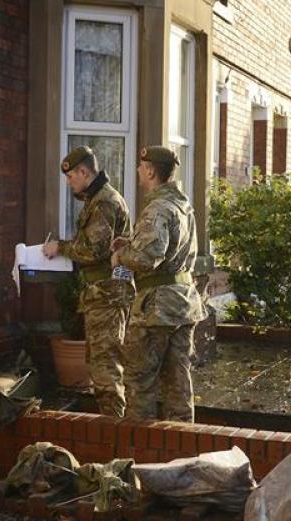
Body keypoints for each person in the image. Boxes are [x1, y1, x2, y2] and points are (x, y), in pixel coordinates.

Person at [110, 146, 205, 422]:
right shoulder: (182, 206)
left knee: (140, 384)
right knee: (178, 386)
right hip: (183, 304)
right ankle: (183, 450)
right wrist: (131, 243)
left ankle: (139, 454)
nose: (138, 170)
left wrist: (120, 256)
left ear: (151, 171)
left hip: (156, 310)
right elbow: (171, 251)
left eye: (141, 167)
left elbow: (147, 257)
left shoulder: (158, 207)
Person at [45, 146, 133, 416]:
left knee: (105, 368)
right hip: (104, 292)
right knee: (101, 363)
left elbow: (93, 250)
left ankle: (115, 431)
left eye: (71, 176)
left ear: (84, 172)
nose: (69, 182)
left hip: (108, 294)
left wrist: (59, 247)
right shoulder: (97, 199)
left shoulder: (104, 202)